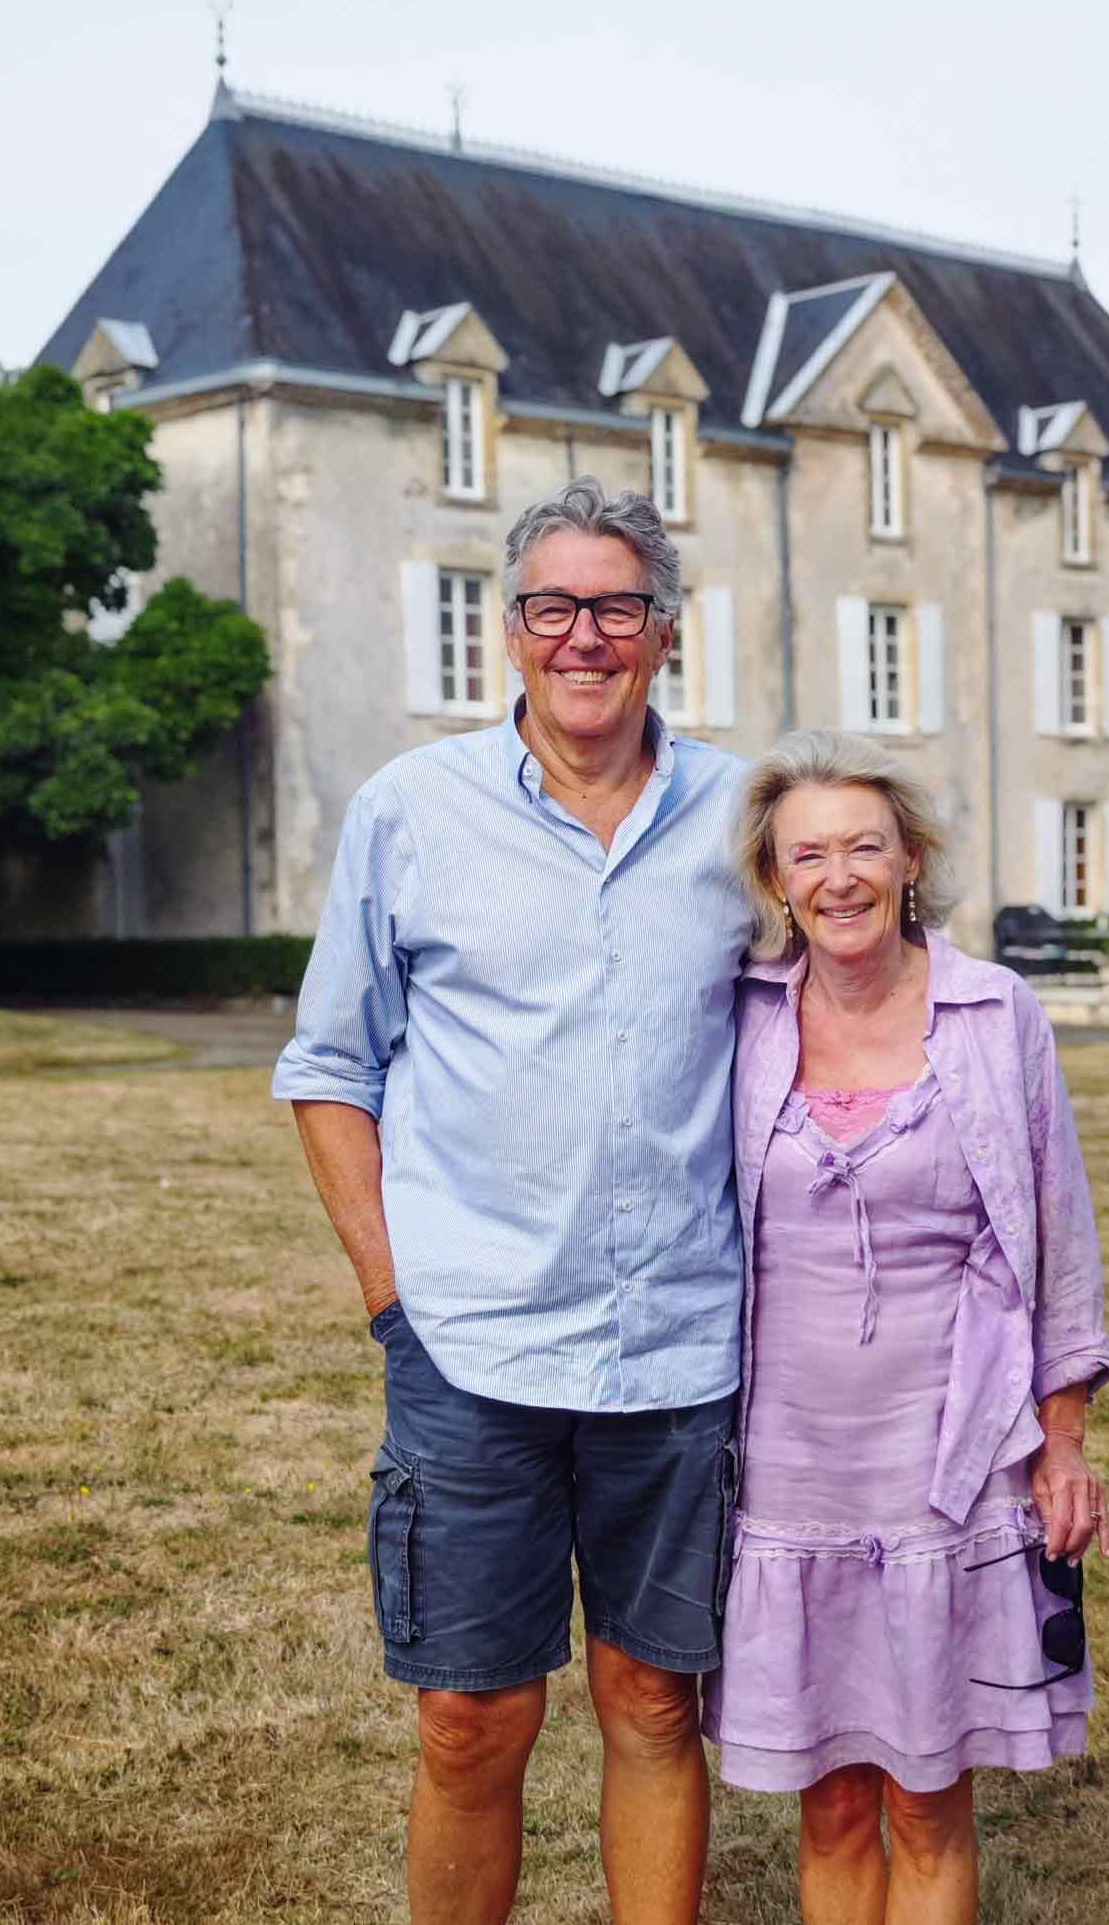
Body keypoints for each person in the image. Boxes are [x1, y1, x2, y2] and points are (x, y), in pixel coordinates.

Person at [273, 477, 753, 1925]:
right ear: (510, 628)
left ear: (664, 630)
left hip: (678, 1348)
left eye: (616, 606)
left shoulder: (743, 815)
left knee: (655, 1701)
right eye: (553, 606)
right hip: (471, 1345)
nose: (583, 636)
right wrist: (392, 1298)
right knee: (470, 1719)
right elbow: (329, 1066)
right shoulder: (411, 811)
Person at [703, 731, 1109, 1925]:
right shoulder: (741, 1016)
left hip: (951, 1459)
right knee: (831, 1804)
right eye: (808, 854)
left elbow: (1060, 1234)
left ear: (910, 860)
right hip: (787, 1465)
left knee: (930, 1801)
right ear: (774, 879)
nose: (839, 876)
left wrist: (1062, 1440)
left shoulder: (993, 1011)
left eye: (865, 847)